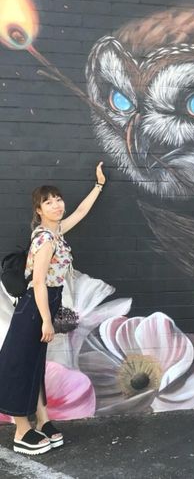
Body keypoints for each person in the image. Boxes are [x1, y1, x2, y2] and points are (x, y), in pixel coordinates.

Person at [0, 162, 106, 455]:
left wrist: (98, 186)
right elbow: (38, 282)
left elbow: (80, 213)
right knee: (20, 365)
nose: (57, 205)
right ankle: (22, 430)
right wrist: (46, 320)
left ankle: (43, 420)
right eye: (48, 202)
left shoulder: (55, 231)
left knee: (34, 365)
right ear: (39, 210)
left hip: (43, 304)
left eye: (58, 199)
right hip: (35, 307)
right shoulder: (45, 239)